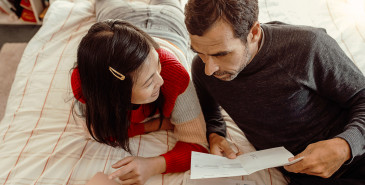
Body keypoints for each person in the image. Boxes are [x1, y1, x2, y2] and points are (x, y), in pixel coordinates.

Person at [184, 0, 365, 184]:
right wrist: (215, 134)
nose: (210, 69)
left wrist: (345, 146)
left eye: (221, 54)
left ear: (253, 32)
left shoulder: (308, 45)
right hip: (304, 176)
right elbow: (210, 111)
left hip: (358, 157)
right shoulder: (202, 69)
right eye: (199, 52)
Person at [70, 0, 208, 184]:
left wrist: (152, 165)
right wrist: (155, 125)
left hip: (166, 22)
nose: (161, 80)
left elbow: (197, 144)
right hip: (115, 28)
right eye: (149, 81)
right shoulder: (86, 83)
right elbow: (100, 131)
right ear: (116, 93)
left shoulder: (174, 75)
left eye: (158, 66)